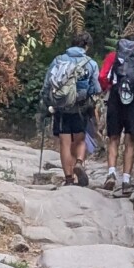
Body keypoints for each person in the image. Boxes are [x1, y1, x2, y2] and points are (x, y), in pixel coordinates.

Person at [98, 26, 134, 192]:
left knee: (113, 138)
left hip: (115, 99)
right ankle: (126, 180)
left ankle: (111, 174)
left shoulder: (112, 57)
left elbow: (102, 77)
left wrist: (108, 88)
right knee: (130, 140)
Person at [42, 39, 101, 187]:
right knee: (81, 140)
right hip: (81, 107)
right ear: (86, 46)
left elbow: (48, 83)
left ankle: (69, 179)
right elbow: (96, 88)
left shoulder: (59, 60)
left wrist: (46, 101)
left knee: (64, 143)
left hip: (61, 107)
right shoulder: (91, 63)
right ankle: (79, 163)